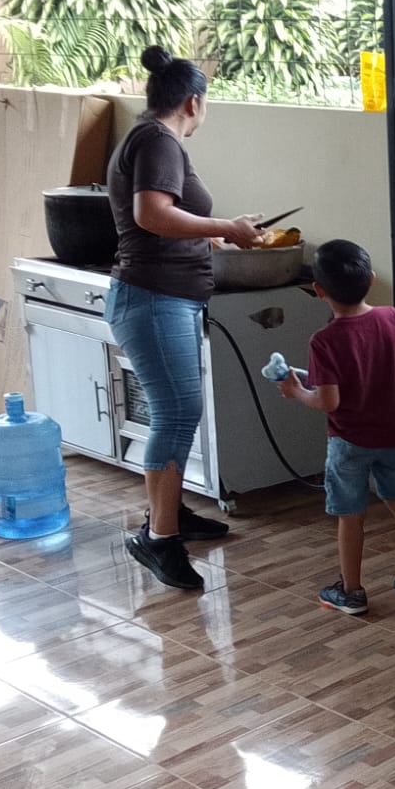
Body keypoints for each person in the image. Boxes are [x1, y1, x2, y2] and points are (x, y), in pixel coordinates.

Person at [108, 45, 264, 591]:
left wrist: (221, 235)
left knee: (176, 412)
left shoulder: (148, 137)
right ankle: (159, 538)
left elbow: (169, 219)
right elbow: (152, 215)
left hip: (161, 298)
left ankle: (169, 514)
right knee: (176, 413)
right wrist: (225, 225)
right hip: (154, 299)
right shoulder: (158, 140)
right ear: (193, 102)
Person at [276, 239, 395, 615]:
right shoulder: (393, 318)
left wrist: (296, 392)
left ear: (318, 290)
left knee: (351, 514)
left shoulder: (324, 341)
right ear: (372, 279)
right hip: (393, 435)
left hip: (349, 442)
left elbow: (328, 401)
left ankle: (351, 591)